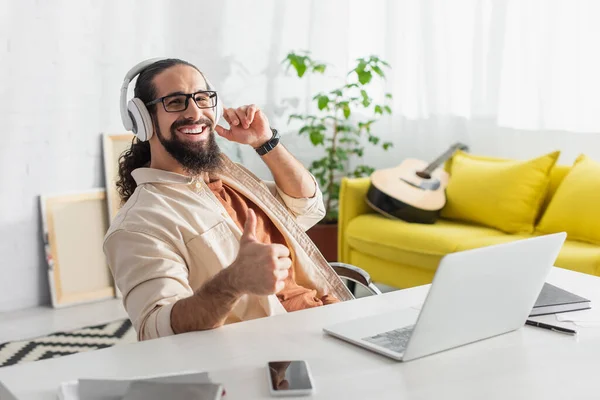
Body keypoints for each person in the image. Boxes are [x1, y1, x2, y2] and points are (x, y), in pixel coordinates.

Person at [103, 58, 353, 341]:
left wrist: (265, 142)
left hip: (333, 322)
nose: (195, 112)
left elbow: (307, 208)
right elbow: (155, 330)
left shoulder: (227, 179)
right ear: (143, 119)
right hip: (277, 351)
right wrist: (233, 282)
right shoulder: (138, 225)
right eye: (174, 102)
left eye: (202, 98)